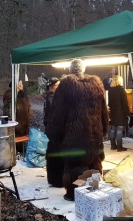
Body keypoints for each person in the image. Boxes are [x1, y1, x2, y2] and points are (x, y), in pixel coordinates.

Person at [45, 58, 109, 201]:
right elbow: (104, 112)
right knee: (94, 162)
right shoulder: (97, 84)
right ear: (83, 69)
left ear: (70, 70)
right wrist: (103, 130)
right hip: (95, 135)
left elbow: (57, 114)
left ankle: (75, 194)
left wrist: (54, 134)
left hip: (75, 137)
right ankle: (92, 192)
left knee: (76, 164)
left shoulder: (66, 85)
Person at [108, 75, 130, 151]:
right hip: (120, 112)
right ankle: (120, 147)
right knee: (119, 130)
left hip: (113, 112)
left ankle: (113, 146)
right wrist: (127, 113)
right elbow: (124, 103)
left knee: (113, 128)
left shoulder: (110, 90)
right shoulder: (121, 90)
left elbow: (109, 102)